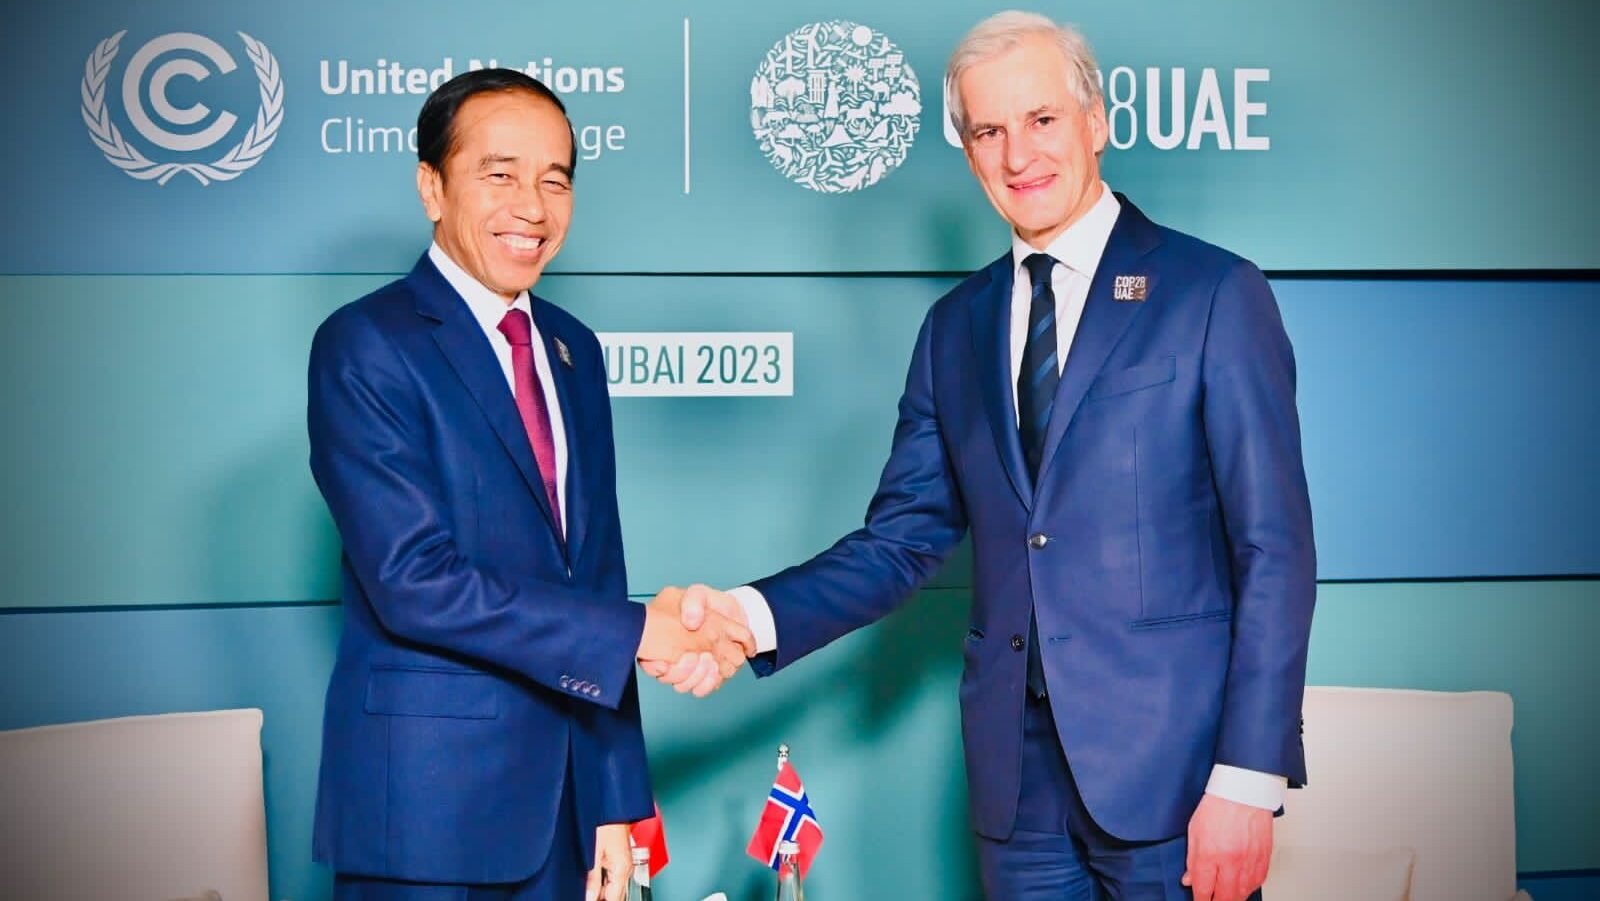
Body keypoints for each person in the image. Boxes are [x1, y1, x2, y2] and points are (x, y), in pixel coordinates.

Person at [654, 12, 1315, 901]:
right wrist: (747, 616)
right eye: (988, 131)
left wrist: (1247, 777)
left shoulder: (1213, 292)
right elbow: (900, 541)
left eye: (1041, 119)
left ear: (1096, 121)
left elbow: (1274, 548)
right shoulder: (954, 328)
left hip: (1180, 779)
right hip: (1018, 789)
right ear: (967, 153)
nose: (1018, 155)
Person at [306, 68, 753, 901]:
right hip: (428, 818)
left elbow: (598, 576)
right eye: (499, 174)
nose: (533, 207)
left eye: (555, 180)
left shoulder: (574, 349)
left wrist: (614, 799)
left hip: (567, 816)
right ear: (432, 187)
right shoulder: (367, 343)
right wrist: (641, 631)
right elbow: (414, 582)